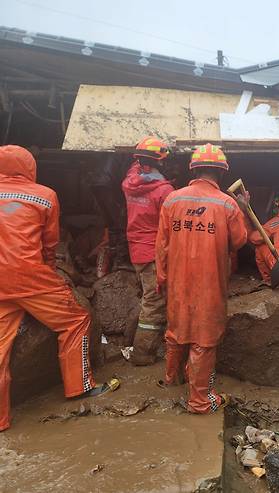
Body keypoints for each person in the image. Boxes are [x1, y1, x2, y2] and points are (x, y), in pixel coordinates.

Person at [0, 145, 109, 432]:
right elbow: (49, 244)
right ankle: (79, 386)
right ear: (29, 167)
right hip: (28, 275)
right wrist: (49, 275)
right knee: (76, 320)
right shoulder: (44, 196)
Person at [155, 143, 247, 414]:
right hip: (209, 281)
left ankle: (171, 380)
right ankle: (200, 401)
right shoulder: (227, 204)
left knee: (176, 330)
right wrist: (243, 208)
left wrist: (161, 276)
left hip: (177, 280)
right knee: (204, 339)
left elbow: (161, 243)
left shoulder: (172, 199)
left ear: (193, 169)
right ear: (221, 172)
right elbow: (240, 241)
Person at [122, 137, 174, 365]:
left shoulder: (130, 182)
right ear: (160, 162)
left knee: (148, 296)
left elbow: (138, 165)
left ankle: (129, 341)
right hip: (154, 253)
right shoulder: (164, 191)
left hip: (136, 249)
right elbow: (171, 228)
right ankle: (142, 354)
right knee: (154, 303)